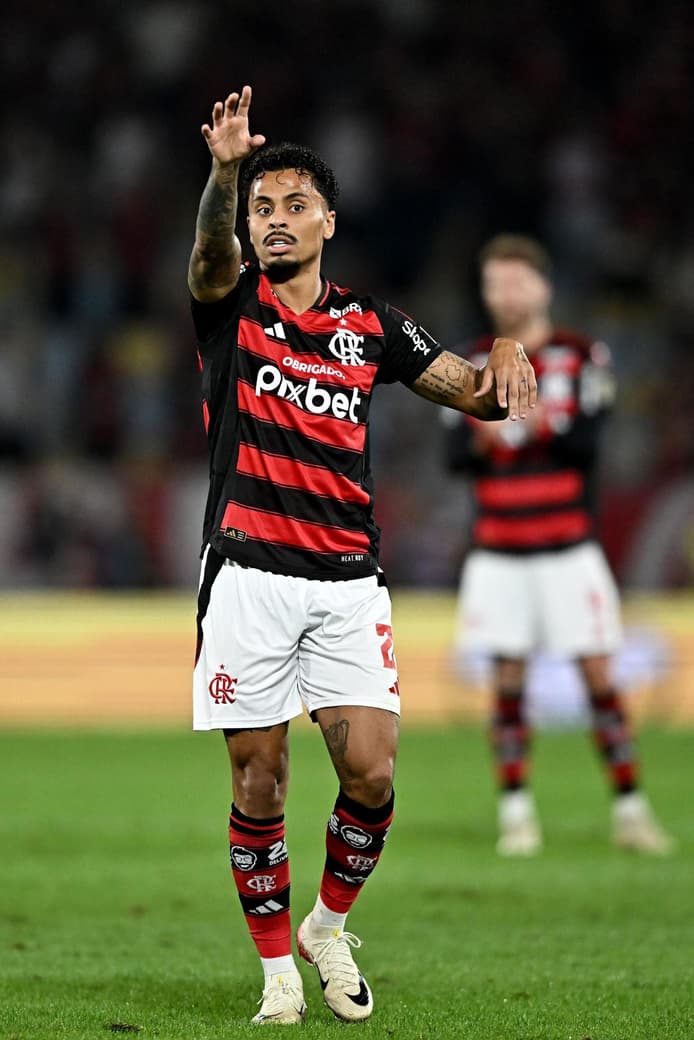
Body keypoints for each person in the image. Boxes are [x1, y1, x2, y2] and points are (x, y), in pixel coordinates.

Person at [187, 87, 536, 1026]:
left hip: (346, 583)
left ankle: (326, 926)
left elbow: (479, 396)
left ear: (330, 221)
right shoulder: (230, 306)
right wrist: (227, 175)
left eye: (294, 204)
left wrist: (503, 345)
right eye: (263, 207)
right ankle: (277, 976)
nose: (275, 221)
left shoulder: (372, 325)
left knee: (373, 773)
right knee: (260, 778)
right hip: (250, 576)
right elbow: (210, 253)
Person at [443, 233, 674, 858]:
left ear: (543, 287)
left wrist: (546, 424)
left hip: (569, 547)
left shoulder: (580, 356)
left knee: (600, 674)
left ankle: (630, 808)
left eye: (517, 280)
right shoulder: (466, 362)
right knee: (507, 681)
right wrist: (478, 444)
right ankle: (516, 814)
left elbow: (593, 448)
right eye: (495, 282)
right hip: (498, 549)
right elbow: (452, 458)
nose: (507, 293)